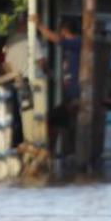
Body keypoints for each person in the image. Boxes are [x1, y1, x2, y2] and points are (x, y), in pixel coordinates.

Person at [30, 15, 81, 155]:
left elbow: (57, 40)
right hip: (71, 95)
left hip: (75, 94)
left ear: (65, 30)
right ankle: (56, 153)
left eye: (60, 31)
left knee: (55, 120)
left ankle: (53, 153)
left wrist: (39, 25)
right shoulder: (73, 45)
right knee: (59, 122)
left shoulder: (76, 42)